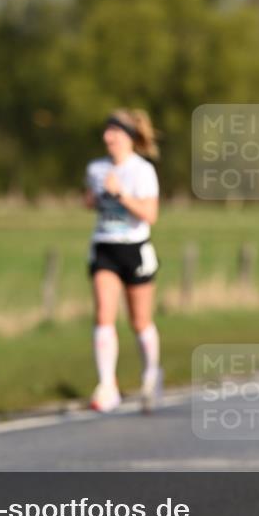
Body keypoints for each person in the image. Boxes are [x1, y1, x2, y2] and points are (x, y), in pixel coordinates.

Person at [84, 109, 162, 414]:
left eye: (113, 132)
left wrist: (121, 195)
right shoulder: (96, 168)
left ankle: (151, 374)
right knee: (104, 314)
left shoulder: (142, 171)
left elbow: (150, 215)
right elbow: (89, 201)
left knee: (139, 321)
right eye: (106, 132)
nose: (107, 137)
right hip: (105, 246)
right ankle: (107, 385)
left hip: (135, 248)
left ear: (128, 137)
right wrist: (93, 197)